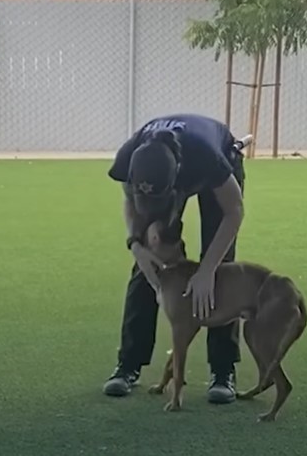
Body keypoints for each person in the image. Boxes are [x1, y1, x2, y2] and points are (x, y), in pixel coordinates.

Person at [102, 113, 247, 404]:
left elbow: (234, 212)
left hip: (215, 166)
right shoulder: (129, 157)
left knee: (220, 268)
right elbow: (131, 204)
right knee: (147, 264)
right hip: (168, 172)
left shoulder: (206, 157)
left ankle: (222, 370)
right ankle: (128, 365)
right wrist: (136, 245)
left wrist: (207, 271)